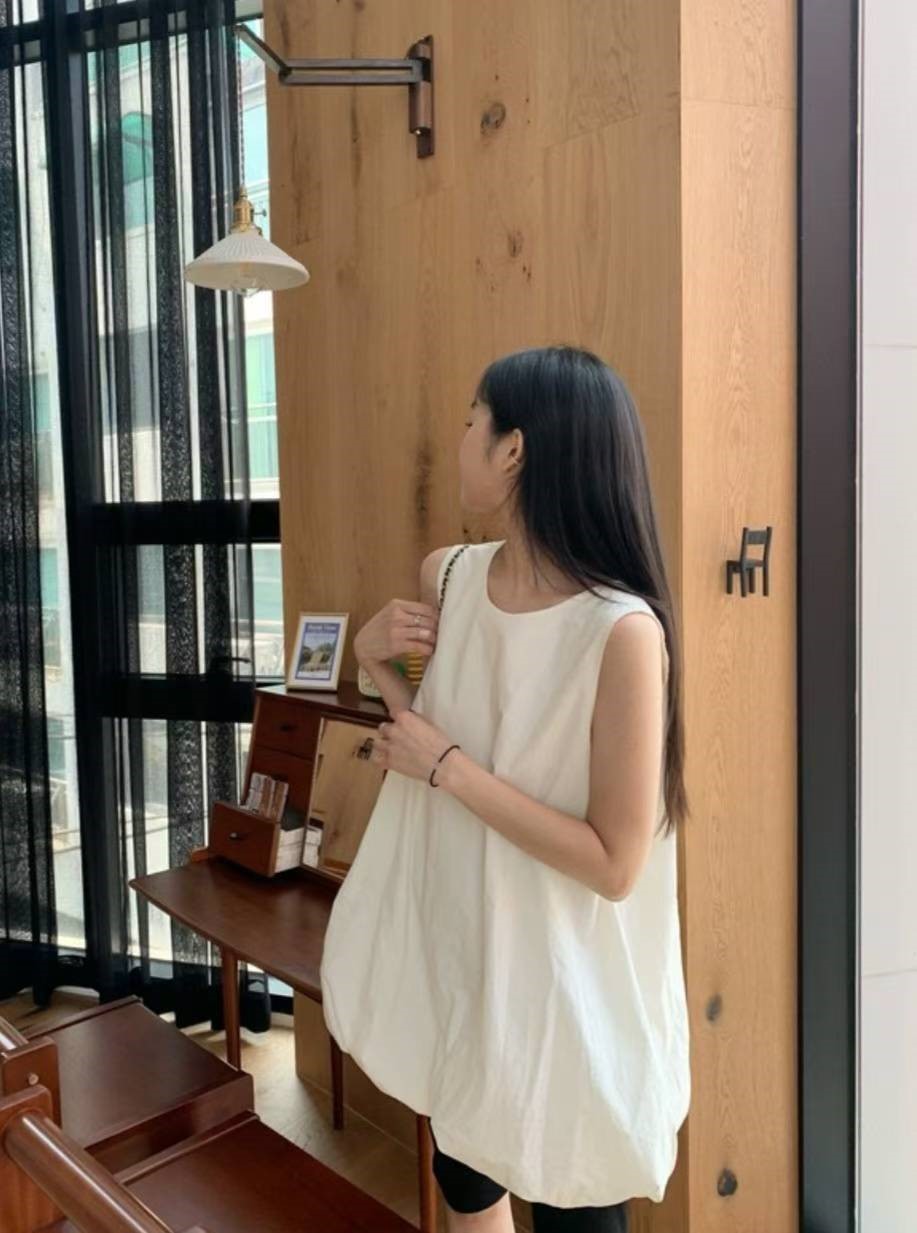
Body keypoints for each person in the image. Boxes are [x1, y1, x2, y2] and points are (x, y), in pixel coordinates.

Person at [320, 345, 690, 1233]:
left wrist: (447, 764)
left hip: (565, 983)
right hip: (467, 948)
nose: (461, 439)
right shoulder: (446, 575)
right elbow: (433, 737)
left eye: (470, 421)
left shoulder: (620, 632)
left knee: (574, 1202)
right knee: (466, 1183)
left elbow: (613, 864)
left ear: (513, 449)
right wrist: (375, 666)